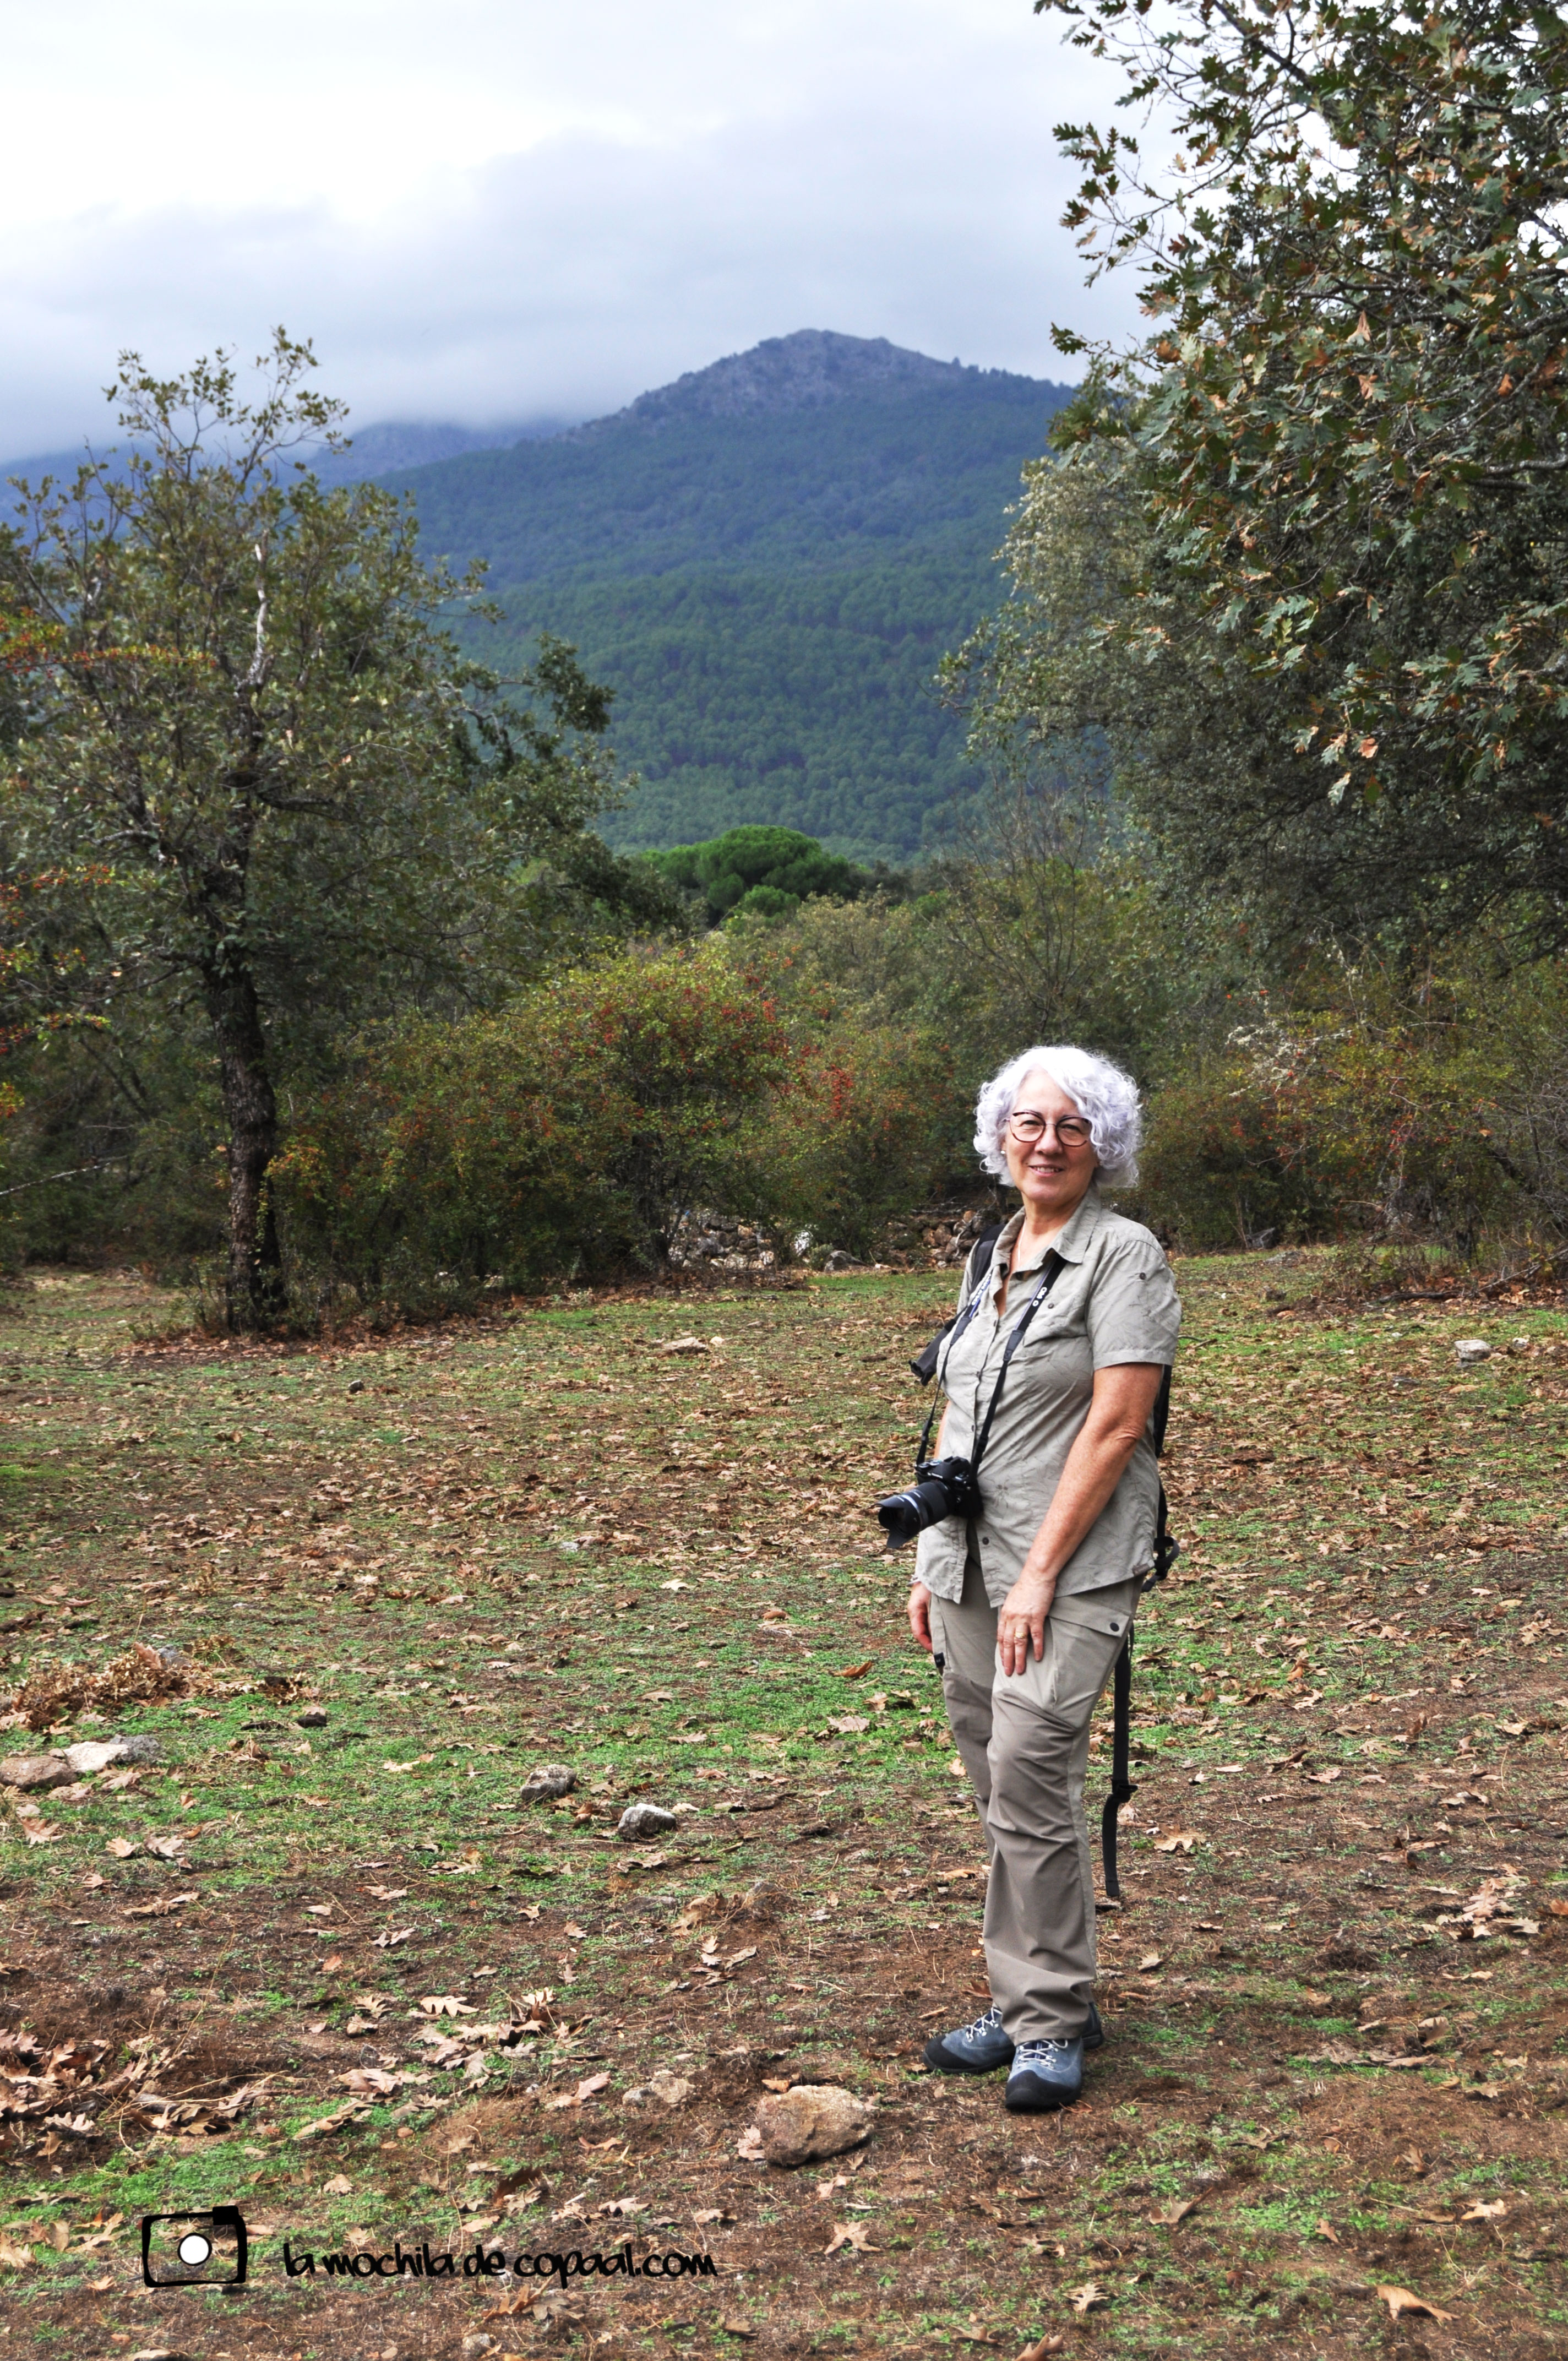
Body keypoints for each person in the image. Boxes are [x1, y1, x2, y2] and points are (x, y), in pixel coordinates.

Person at [906, 1045, 1180, 2112]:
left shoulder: (1124, 1255)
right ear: (999, 1137)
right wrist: (934, 1560)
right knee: (996, 1778)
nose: (1047, 1141)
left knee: (1027, 1765)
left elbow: (1114, 1425)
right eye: (1028, 1122)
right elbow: (958, 1414)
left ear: (1100, 1141)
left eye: (1071, 1124)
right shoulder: (994, 1253)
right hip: (971, 1561)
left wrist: (1034, 1576)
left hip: (1067, 1567)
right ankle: (1031, 1995)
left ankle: (1050, 2014)